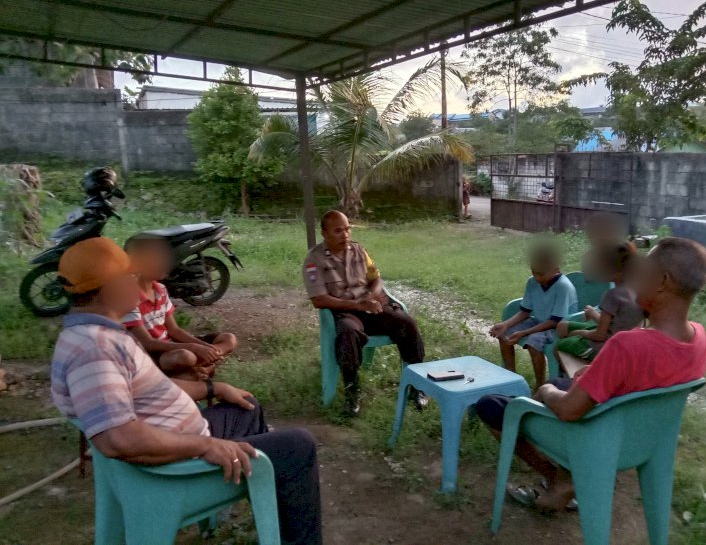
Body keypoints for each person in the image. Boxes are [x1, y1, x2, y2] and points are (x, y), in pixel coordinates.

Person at [51, 237, 322, 545]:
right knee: (299, 447)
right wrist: (203, 447)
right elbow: (118, 439)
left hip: (181, 440)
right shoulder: (95, 349)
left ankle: (263, 502)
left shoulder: (101, 335)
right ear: (109, 288)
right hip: (175, 468)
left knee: (246, 405)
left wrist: (214, 387)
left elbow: (147, 391)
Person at [476, 237, 706, 512]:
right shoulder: (698, 337)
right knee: (560, 380)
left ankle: (560, 480)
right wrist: (594, 373)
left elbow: (569, 411)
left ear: (662, 281)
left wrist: (545, 392)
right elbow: (644, 380)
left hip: (600, 436)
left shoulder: (626, 345)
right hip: (639, 435)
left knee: (492, 405)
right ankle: (566, 476)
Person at [303, 210, 428, 416]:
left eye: (347, 229)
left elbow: (376, 277)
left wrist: (373, 294)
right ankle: (353, 391)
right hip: (344, 311)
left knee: (407, 324)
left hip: (369, 307)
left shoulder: (359, 251)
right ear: (324, 233)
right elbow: (319, 300)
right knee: (347, 334)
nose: (345, 235)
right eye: (338, 231)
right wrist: (358, 305)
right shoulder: (314, 260)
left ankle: (417, 385)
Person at [122, 237, 237, 380]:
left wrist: (207, 349)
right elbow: (147, 343)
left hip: (171, 345)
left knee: (229, 339)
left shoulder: (160, 290)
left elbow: (174, 330)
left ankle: (203, 367)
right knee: (185, 356)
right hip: (152, 353)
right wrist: (194, 348)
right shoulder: (129, 296)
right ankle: (198, 368)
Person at [489, 243, 578, 390]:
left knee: (533, 341)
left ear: (556, 270)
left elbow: (554, 321)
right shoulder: (532, 282)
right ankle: (510, 377)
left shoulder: (563, 286)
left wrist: (524, 333)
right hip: (539, 321)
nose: (537, 277)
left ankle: (540, 384)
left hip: (559, 327)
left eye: (541, 274)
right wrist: (506, 325)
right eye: (534, 272)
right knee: (504, 334)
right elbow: (525, 311)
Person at [554, 241, 644, 367]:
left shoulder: (612, 295)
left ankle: (576, 377)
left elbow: (600, 335)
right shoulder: (639, 290)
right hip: (623, 342)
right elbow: (619, 322)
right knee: (562, 326)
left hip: (606, 347)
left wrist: (579, 333)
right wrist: (593, 313)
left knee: (559, 346)